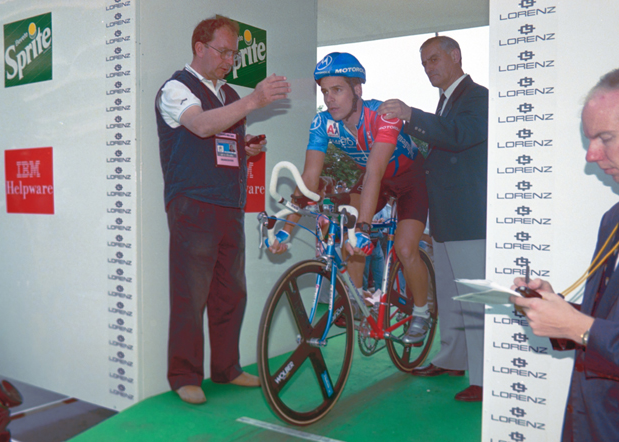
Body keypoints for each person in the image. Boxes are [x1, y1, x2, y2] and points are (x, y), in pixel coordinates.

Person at [154, 14, 290, 405]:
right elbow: (198, 126)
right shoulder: (176, 88)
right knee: (190, 293)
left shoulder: (229, 94)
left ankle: (226, 368)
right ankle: (184, 375)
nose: (230, 59)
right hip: (193, 203)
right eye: (224, 51)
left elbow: (219, 139)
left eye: (234, 53)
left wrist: (244, 150)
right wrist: (255, 99)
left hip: (229, 204)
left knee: (232, 292)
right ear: (200, 48)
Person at [269, 52, 431, 344]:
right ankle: (355, 300)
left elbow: (374, 171)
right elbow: (309, 180)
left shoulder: (382, 115)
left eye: (338, 90)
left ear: (357, 90)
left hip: (409, 181)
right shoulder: (323, 123)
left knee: (406, 249)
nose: (330, 98)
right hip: (374, 181)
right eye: (325, 91)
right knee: (344, 222)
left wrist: (366, 229)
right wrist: (285, 230)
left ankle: (421, 312)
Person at [511, 69, 619, 441]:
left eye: (606, 138)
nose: (591, 155)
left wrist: (576, 327)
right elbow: (604, 327)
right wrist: (558, 313)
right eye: (590, 139)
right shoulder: (613, 219)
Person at [378, 36, 488, 402]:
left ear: (456, 56)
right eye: (424, 63)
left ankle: (485, 376)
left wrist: (411, 116)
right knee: (451, 295)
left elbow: (460, 136)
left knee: (473, 297)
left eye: (434, 59)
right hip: (445, 217)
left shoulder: (478, 97)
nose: (429, 67)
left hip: (470, 217)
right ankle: (452, 358)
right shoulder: (446, 103)